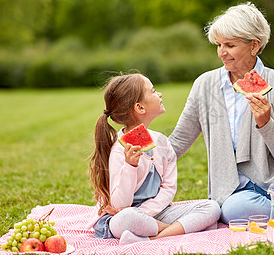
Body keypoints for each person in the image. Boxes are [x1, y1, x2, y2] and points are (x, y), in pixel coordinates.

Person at [169, 2, 274, 227]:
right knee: (233, 211)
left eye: (230, 45)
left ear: (254, 46)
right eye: (218, 44)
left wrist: (266, 124)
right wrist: (139, 162)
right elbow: (179, 140)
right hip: (237, 186)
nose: (221, 52)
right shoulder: (205, 85)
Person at [86, 73, 221, 245]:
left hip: (156, 213)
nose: (160, 94)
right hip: (124, 216)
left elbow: (169, 188)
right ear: (140, 108)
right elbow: (120, 205)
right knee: (127, 217)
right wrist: (130, 166)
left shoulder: (162, 143)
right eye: (153, 91)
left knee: (212, 208)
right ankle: (179, 229)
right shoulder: (119, 150)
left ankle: (151, 238)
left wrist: (146, 213)